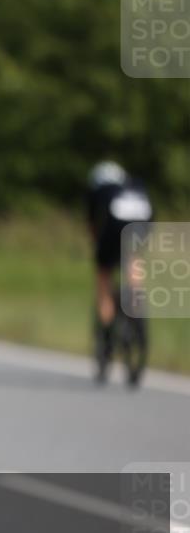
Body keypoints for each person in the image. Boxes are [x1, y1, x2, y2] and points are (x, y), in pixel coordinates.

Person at [86, 160, 153, 383]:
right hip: (143, 223)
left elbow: (93, 223)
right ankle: (135, 297)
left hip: (114, 228)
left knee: (104, 274)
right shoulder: (135, 185)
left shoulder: (100, 189)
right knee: (132, 260)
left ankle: (106, 331)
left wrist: (98, 248)